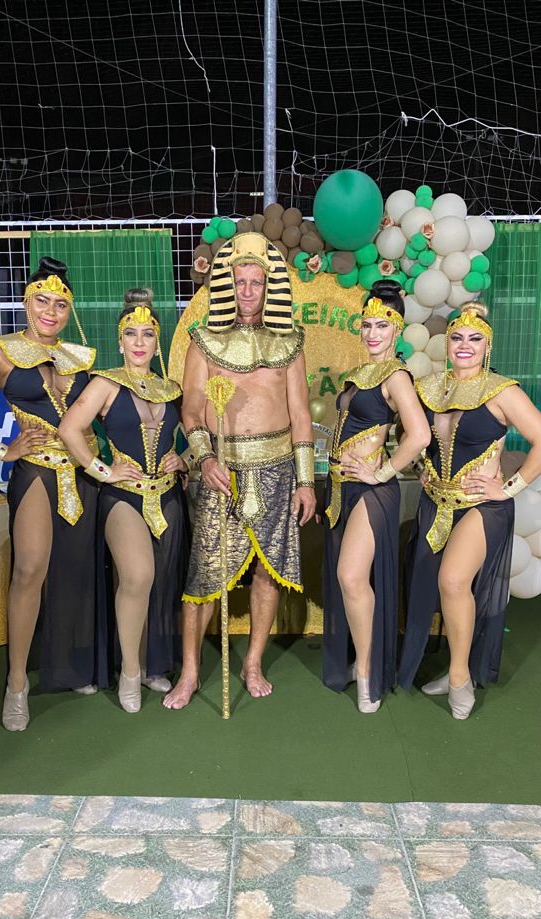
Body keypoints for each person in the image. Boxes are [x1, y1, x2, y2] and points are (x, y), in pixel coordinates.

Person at [163, 231, 316, 709]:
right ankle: (190, 673)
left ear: (269, 288)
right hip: (220, 472)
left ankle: (252, 664)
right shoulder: (203, 341)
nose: (248, 291)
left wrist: (306, 481)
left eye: (256, 282)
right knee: (204, 577)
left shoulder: (290, 342)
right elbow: (191, 411)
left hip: (278, 469)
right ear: (227, 286)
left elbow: (301, 415)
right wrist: (205, 457)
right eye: (240, 282)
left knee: (268, 574)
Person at [0, 256, 98, 730]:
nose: (50, 311)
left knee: (74, 573)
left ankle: (68, 667)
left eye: (60, 304)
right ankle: (17, 683)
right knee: (30, 569)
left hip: (82, 475)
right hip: (36, 472)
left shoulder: (79, 356)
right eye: (42, 301)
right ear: (26, 303)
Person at [398, 301, 541, 719]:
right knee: (438, 588)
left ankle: (460, 677)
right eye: (457, 337)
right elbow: (414, 437)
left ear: (487, 345)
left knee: (453, 580)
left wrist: (509, 488)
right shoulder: (429, 387)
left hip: (482, 507)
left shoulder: (502, 391)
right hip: (436, 504)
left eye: (475, 338)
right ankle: (454, 668)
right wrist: (421, 469)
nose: (465, 345)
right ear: (447, 343)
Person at [59, 288, 190, 712]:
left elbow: (202, 432)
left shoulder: (172, 388)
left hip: (168, 497)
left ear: (157, 342)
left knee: (161, 583)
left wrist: (185, 458)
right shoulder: (105, 383)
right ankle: (130, 672)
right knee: (137, 576)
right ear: (119, 341)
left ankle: (152, 665)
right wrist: (102, 470)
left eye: (147, 334)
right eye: (131, 333)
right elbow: (69, 429)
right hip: (122, 497)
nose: (139, 341)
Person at [322, 281, 430, 712]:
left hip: (371, 492)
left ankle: (368, 669)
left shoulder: (395, 376)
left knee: (351, 577)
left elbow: (419, 435)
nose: (372, 333)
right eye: (366, 325)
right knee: (348, 580)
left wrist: (381, 471)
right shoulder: (358, 374)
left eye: (381, 326)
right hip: (341, 489)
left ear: (397, 329)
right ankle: (361, 659)